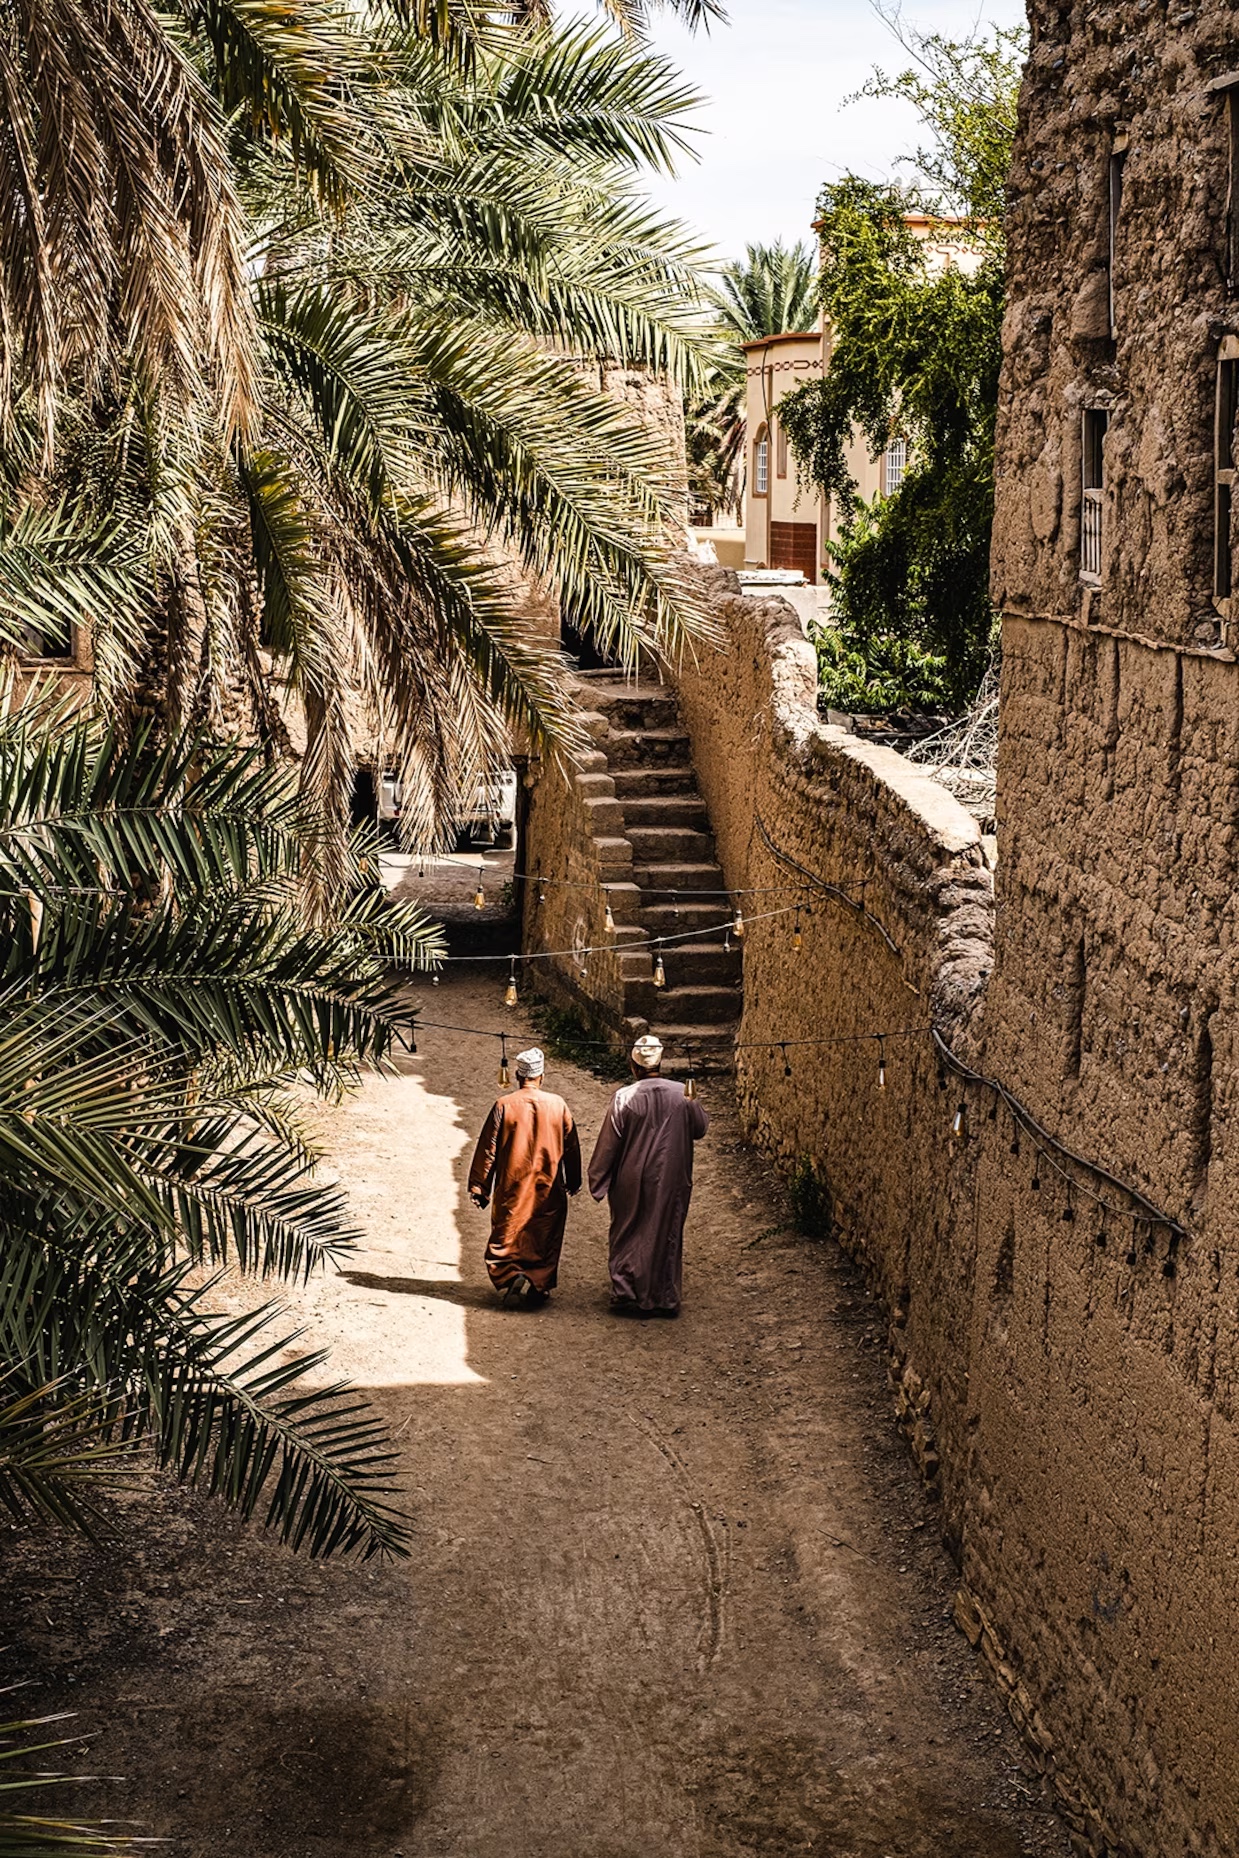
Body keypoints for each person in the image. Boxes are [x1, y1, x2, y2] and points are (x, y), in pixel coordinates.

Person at [587, 1035, 709, 1318]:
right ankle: (664, 1296)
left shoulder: (624, 1097)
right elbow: (701, 1128)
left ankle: (626, 1291)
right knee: (666, 1231)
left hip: (631, 1178)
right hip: (671, 1176)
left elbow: (609, 1143)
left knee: (629, 1229)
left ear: (634, 1066)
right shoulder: (683, 1093)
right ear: (661, 1062)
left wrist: (598, 1178)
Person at [467, 1047, 581, 1308]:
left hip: (512, 1186)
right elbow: (571, 1146)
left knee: (509, 1232)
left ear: (518, 1076)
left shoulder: (503, 1105)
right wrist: (573, 1180)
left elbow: (489, 1148)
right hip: (547, 1187)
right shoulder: (558, 1105)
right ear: (541, 1075)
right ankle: (537, 1282)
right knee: (544, 1233)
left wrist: (480, 1187)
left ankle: (512, 1274)